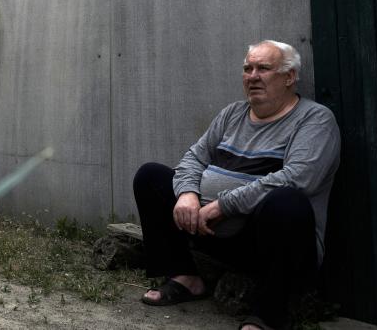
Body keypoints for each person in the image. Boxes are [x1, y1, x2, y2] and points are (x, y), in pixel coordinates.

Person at [133, 40, 340, 330]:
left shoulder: (314, 120)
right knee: (151, 177)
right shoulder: (233, 114)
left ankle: (268, 314)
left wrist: (223, 205)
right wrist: (188, 195)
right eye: (247, 68)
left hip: (270, 246)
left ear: (289, 77)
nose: (252, 76)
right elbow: (193, 158)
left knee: (287, 202)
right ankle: (185, 277)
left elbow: (299, 178)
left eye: (263, 68)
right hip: (211, 231)